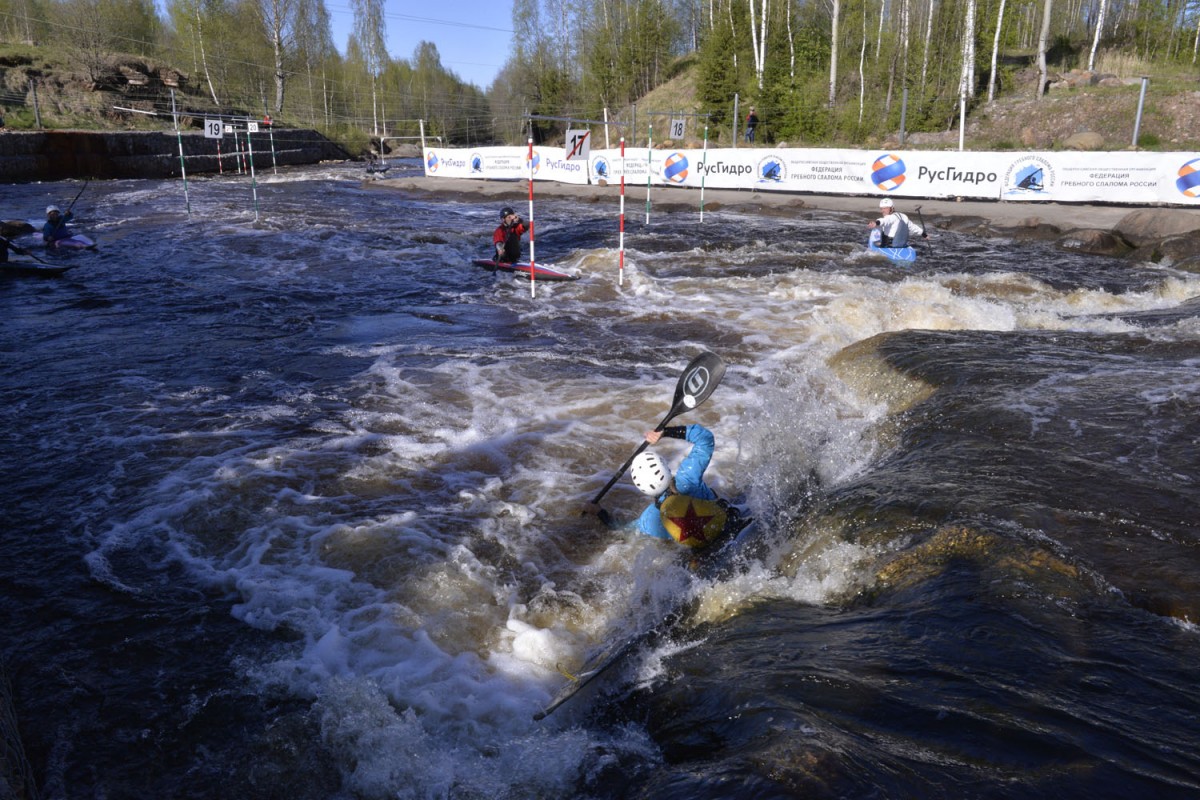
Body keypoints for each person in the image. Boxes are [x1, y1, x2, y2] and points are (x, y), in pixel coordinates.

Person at [587, 423, 731, 548]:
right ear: (665, 467)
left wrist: (599, 512)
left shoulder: (649, 519)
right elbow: (705, 439)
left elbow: (622, 528)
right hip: (727, 523)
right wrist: (666, 432)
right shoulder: (688, 479)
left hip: (702, 548)